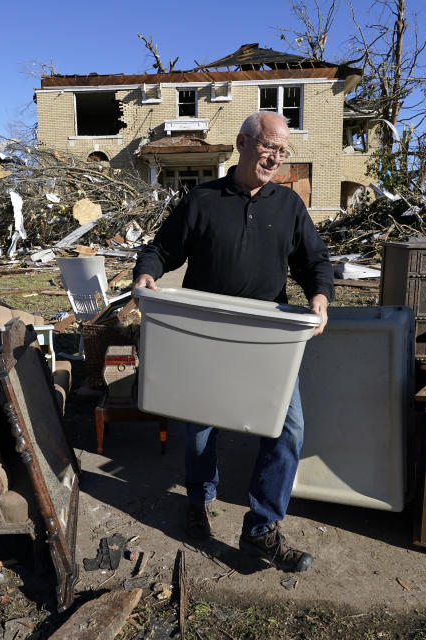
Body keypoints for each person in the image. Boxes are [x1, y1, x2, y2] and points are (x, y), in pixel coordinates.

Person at [132, 111, 333, 572]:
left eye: (283, 151)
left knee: (287, 428)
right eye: (269, 147)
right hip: (209, 331)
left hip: (268, 336)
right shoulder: (202, 200)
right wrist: (147, 273)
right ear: (243, 143)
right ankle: (199, 500)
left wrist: (320, 297)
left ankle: (262, 527)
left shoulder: (289, 206)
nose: (276, 158)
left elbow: (314, 262)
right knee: (202, 426)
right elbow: (162, 249)